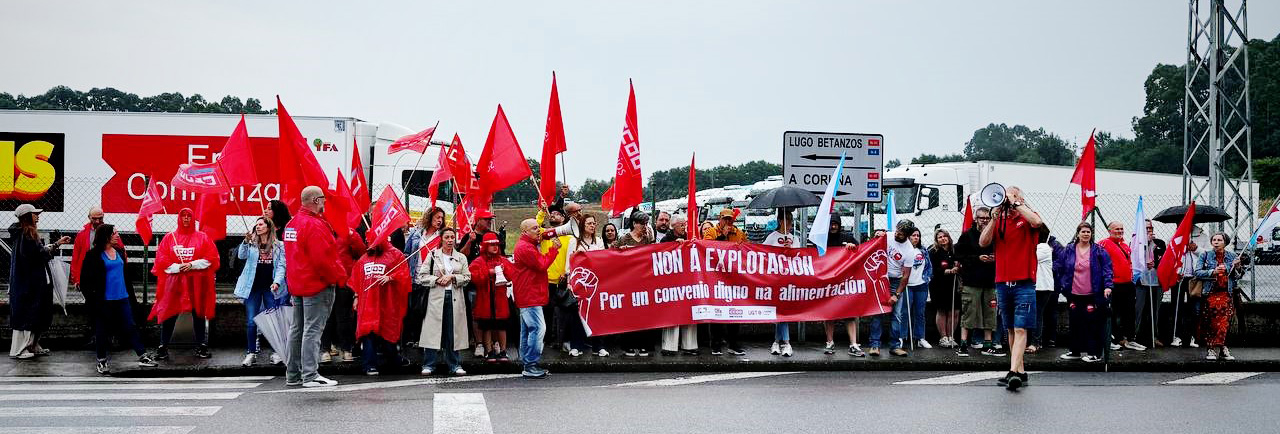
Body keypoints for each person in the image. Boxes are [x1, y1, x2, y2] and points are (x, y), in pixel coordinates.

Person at [978, 185, 1045, 391]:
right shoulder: (999, 221)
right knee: (1010, 330)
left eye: (1011, 196)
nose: (1007, 200)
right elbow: (983, 242)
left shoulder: (1026, 218)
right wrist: (994, 217)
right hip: (1002, 282)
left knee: (1020, 328)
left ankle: (1013, 372)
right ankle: (1021, 373)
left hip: (1024, 281)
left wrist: (1017, 202)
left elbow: (1038, 222)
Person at [283, 185, 346, 388]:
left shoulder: (292, 224)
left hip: (298, 283)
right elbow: (323, 260)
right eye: (323, 199)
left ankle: (293, 374)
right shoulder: (315, 225)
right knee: (312, 330)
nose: (325, 202)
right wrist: (338, 277)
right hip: (316, 284)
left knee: (297, 329)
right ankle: (310, 375)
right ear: (316, 200)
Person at [78, 224, 157, 373]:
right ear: (106, 236)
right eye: (114, 233)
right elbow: (85, 281)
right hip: (104, 300)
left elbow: (125, 276)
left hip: (122, 297)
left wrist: (131, 296)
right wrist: (93, 299)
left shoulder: (120, 252)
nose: (117, 235)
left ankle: (142, 355)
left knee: (130, 325)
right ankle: (101, 361)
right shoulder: (93, 255)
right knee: (102, 330)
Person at [149, 207, 219, 360]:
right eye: (183, 216)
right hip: (174, 283)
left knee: (198, 312)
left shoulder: (202, 237)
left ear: (193, 218)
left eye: (189, 216)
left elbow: (212, 258)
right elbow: (161, 259)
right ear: (179, 218)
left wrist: (192, 265)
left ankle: (201, 345)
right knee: (169, 312)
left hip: (197, 283)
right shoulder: (170, 238)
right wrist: (177, 267)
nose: (186, 219)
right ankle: (163, 345)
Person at [7, 204, 70, 360]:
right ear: (28, 216)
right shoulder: (27, 234)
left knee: (36, 314)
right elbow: (37, 255)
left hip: (31, 282)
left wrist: (51, 246)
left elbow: (35, 253)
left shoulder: (23, 233)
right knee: (27, 315)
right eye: (35, 214)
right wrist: (55, 246)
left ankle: (32, 346)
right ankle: (20, 349)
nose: (38, 216)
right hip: (30, 283)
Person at [349, 235, 411, 375]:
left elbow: (404, 274)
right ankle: (369, 365)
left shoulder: (396, 255)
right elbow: (356, 279)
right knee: (368, 332)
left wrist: (391, 277)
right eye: (368, 242)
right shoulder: (364, 258)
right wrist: (356, 297)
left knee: (388, 335)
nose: (369, 244)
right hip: (368, 303)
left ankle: (395, 360)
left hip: (388, 302)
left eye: (373, 241)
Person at [1053, 222, 1112, 363]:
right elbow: (1059, 266)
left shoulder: (1099, 251)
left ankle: (1094, 354)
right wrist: (1061, 283)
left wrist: (1108, 286)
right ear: (1078, 233)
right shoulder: (1068, 250)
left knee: (1093, 324)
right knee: (1074, 323)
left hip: (1093, 294)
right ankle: (1075, 351)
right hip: (1073, 294)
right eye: (1083, 231)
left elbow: (1107, 269)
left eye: (1088, 232)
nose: (1086, 234)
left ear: (1091, 234)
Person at [233, 217, 288, 367]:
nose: (258, 227)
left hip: (270, 288)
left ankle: (276, 352)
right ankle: (251, 353)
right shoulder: (251, 244)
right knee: (252, 322)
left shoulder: (279, 246)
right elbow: (241, 256)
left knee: (273, 321)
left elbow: (282, 266)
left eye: (261, 224)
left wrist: (277, 282)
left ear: (268, 227)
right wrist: (245, 242)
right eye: (256, 225)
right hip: (253, 288)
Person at [417, 228, 472, 375]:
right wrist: (436, 279)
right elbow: (422, 276)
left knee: (452, 332)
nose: (450, 240)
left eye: (452, 237)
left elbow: (467, 277)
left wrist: (453, 278)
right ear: (441, 239)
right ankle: (429, 364)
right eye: (447, 237)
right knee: (432, 331)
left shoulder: (461, 257)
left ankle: (454, 364)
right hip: (436, 299)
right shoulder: (432, 255)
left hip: (455, 298)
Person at [514, 219, 560, 378]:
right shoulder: (526, 248)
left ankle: (528, 363)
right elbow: (542, 265)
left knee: (528, 331)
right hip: (530, 294)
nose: (538, 230)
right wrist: (554, 250)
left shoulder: (526, 246)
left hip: (528, 293)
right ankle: (530, 364)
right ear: (524, 232)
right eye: (534, 228)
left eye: (538, 227)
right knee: (538, 329)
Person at [955, 206, 999, 357]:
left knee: (990, 313)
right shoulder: (967, 235)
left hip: (990, 280)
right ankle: (963, 345)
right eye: (982, 218)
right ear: (976, 219)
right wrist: (977, 259)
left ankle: (987, 344)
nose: (985, 221)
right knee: (968, 312)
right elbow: (959, 255)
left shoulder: (995, 234)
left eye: (987, 218)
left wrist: (994, 259)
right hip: (972, 281)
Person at [537, 208, 582, 357]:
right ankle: (544, 340)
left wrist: (566, 273)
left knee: (565, 313)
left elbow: (571, 257)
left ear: (563, 219)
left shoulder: (569, 238)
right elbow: (535, 226)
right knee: (546, 313)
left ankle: (564, 341)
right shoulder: (544, 235)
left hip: (562, 281)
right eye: (552, 214)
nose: (554, 215)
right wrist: (542, 212)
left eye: (557, 214)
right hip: (546, 280)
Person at [613, 212, 657, 357]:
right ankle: (629, 345)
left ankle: (644, 344)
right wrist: (621, 251)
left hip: (644, 282)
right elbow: (612, 256)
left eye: (646, 223)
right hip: (628, 283)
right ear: (634, 224)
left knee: (644, 315)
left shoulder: (647, 239)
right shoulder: (624, 239)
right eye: (642, 223)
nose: (645, 226)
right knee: (630, 315)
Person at [822, 211, 864, 356]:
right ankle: (829, 342)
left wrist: (853, 247)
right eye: (831, 224)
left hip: (846, 282)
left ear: (839, 225)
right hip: (829, 282)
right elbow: (815, 256)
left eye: (835, 224)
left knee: (850, 313)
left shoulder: (847, 237)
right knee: (829, 313)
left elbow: (861, 252)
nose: (833, 226)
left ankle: (853, 344)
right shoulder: (822, 239)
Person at [872, 221, 916, 357]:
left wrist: (896, 294)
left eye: (901, 234)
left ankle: (895, 345)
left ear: (907, 236)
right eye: (897, 231)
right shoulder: (888, 236)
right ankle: (874, 344)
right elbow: (872, 245)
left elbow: (905, 276)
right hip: (880, 277)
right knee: (877, 312)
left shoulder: (909, 251)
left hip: (895, 280)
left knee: (896, 315)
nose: (897, 234)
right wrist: (876, 235)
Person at [321, 227, 366, 363]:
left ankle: (346, 349)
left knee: (344, 317)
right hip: (326, 280)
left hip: (344, 280)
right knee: (326, 318)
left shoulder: (349, 232)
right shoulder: (321, 231)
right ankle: (325, 349)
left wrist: (352, 237)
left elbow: (361, 251)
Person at [1100, 221, 1145, 351]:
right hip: (1113, 284)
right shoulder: (1104, 244)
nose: (1119, 231)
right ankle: (1114, 339)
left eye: (1121, 229)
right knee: (1112, 313)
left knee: (1129, 313)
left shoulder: (1125, 245)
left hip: (1127, 284)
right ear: (1109, 230)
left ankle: (1130, 339)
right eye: (1116, 229)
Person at [568, 214, 609, 356]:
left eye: (594, 223)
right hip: (579, 284)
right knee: (578, 316)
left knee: (597, 315)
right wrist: (569, 282)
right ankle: (576, 346)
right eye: (589, 223)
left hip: (595, 283)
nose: (592, 226)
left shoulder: (598, 241)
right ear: (582, 226)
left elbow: (604, 260)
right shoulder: (574, 242)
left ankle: (599, 346)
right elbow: (569, 263)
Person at [470, 232, 515, 362]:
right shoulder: (479, 261)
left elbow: (511, 275)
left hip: (500, 299)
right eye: (491, 245)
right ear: (485, 246)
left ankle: (503, 351)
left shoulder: (503, 260)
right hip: (485, 299)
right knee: (487, 327)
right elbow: (472, 276)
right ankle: (489, 351)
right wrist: (487, 273)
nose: (495, 247)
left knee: (501, 326)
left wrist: (503, 271)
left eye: (496, 244)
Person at [1195, 233, 1239, 361]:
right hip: (1211, 293)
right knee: (1211, 322)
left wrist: (1237, 266)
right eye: (1214, 240)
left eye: (1219, 240)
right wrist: (1212, 271)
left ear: (1225, 242)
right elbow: (1197, 272)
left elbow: (1238, 276)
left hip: (1226, 293)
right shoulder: (1205, 255)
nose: (1216, 242)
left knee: (1224, 322)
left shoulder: (1232, 256)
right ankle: (1211, 348)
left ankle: (1223, 347)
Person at [763, 210, 799, 357]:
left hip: (789, 279)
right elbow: (763, 254)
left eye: (791, 221)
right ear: (780, 221)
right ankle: (786, 343)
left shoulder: (793, 238)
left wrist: (790, 250)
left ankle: (777, 342)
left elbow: (799, 256)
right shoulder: (771, 237)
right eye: (787, 220)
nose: (789, 224)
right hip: (775, 279)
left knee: (783, 312)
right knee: (780, 311)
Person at [70, 207, 122, 288]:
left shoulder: (112, 232)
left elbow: (121, 251)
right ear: (89, 217)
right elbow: (76, 257)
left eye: (100, 218)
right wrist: (76, 278)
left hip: (107, 271)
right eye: (94, 219)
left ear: (103, 216)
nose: (97, 221)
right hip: (88, 271)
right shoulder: (82, 235)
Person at [1136, 219, 1167, 348]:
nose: (1149, 231)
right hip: (1141, 282)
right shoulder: (1136, 243)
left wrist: (1151, 245)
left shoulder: (1159, 243)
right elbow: (1136, 259)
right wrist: (1146, 244)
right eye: (1146, 228)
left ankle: (1154, 336)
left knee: (1155, 310)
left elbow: (1164, 260)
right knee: (1138, 309)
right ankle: (1135, 336)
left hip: (1156, 281)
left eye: (1150, 228)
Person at [929, 229, 961, 349]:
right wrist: (946, 271)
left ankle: (951, 336)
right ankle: (943, 337)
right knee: (942, 310)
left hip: (953, 284)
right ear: (936, 240)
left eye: (945, 236)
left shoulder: (954, 250)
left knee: (954, 311)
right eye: (940, 237)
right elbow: (933, 269)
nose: (943, 238)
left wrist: (958, 267)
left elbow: (959, 263)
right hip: (939, 285)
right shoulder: (933, 252)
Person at [1170, 236, 1202, 348]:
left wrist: (1196, 248)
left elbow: (1206, 254)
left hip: (1193, 278)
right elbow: (1170, 255)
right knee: (1176, 306)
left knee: (1194, 309)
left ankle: (1193, 337)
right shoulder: (1176, 236)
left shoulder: (1202, 236)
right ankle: (1176, 336)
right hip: (1179, 278)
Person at [1029, 234, 1057, 353]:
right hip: (1034, 285)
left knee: (1037, 314)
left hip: (1042, 286)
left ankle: (1036, 342)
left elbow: (1030, 257)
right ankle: (1032, 341)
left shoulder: (1043, 247)